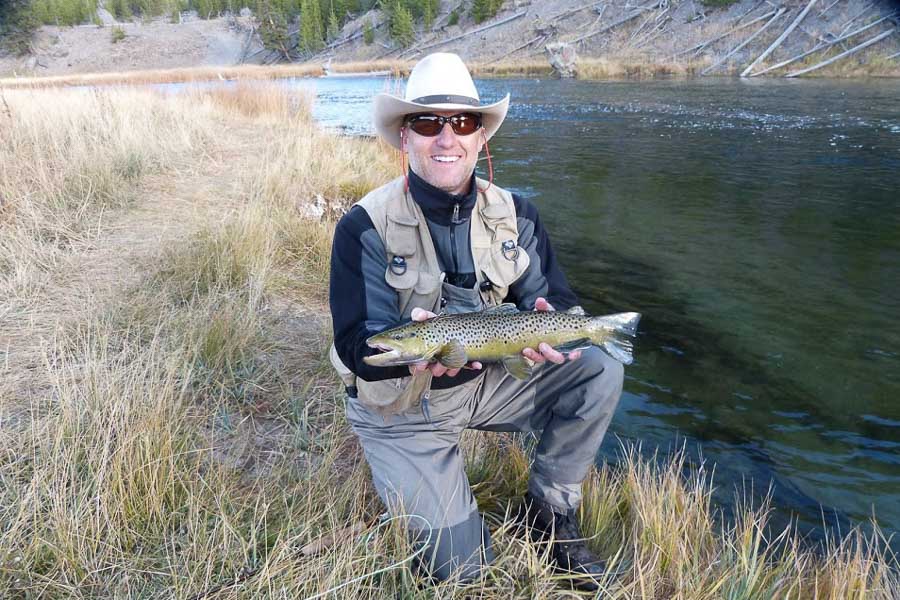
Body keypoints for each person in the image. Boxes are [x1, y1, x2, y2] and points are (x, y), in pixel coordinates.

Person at [328, 53, 624, 590]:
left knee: (599, 366)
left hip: (487, 377)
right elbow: (358, 349)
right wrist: (416, 354)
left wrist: (550, 327)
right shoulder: (363, 228)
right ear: (404, 137)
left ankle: (550, 511)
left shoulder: (519, 214)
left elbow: (556, 303)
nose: (447, 138)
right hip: (403, 407)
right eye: (427, 123)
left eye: (462, 122)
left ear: (480, 137)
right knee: (464, 574)